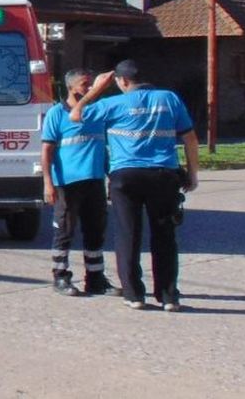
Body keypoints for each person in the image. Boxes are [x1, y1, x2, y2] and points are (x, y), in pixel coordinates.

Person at [72, 59, 200, 311]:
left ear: (122, 81)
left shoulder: (111, 103)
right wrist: (193, 173)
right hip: (164, 174)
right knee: (164, 235)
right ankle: (168, 296)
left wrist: (96, 89)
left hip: (126, 176)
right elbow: (190, 138)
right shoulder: (169, 99)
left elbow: (76, 115)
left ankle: (133, 294)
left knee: (128, 234)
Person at [39, 69, 118, 297]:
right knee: (64, 230)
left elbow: (102, 148)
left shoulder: (95, 112)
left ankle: (95, 279)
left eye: (92, 83)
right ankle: (61, 277)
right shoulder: (56, 114)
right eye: (85, 84)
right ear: (72, 87)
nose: (91, 87)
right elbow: (47, 150)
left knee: (95, 230)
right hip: (67, 182)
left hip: (94, 181)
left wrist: (110, 176)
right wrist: (48, 183)